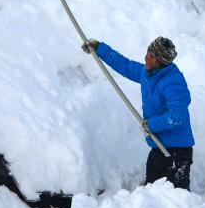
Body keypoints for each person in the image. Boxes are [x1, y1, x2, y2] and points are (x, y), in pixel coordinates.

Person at [81, 36, 194, 190]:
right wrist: (100, 48)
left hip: (176, 153)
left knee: (177, 198)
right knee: (151, 193)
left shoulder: (173, 83)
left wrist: (151, 125)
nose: (145, 56)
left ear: (156, 60)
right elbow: (125, 65)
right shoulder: (149, 74)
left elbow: (177, 116)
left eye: (150, 53)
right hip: (159, 148)